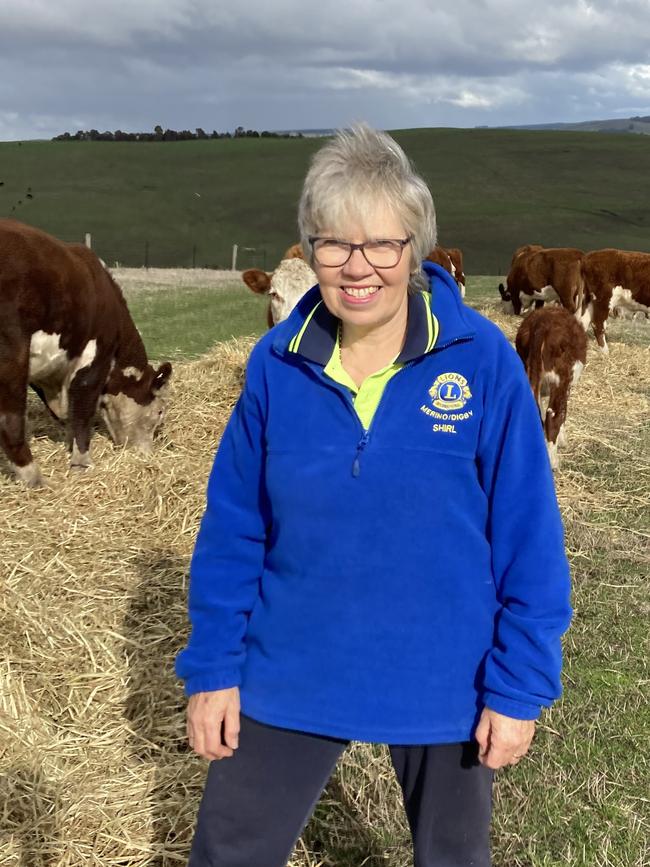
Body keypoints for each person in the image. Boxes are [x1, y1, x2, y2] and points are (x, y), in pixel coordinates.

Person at [175, 124, 572, 867]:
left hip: (445, 672)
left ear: (414, 249)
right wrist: (213, 669)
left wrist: (519, 685)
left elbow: (529, 536)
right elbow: (234, 530)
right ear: (309, 250)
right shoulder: (276, 364)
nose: (358, 267)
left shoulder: (479, 359)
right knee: (228, 851)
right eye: (333, 243)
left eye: (382, 244)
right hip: (290, 664)